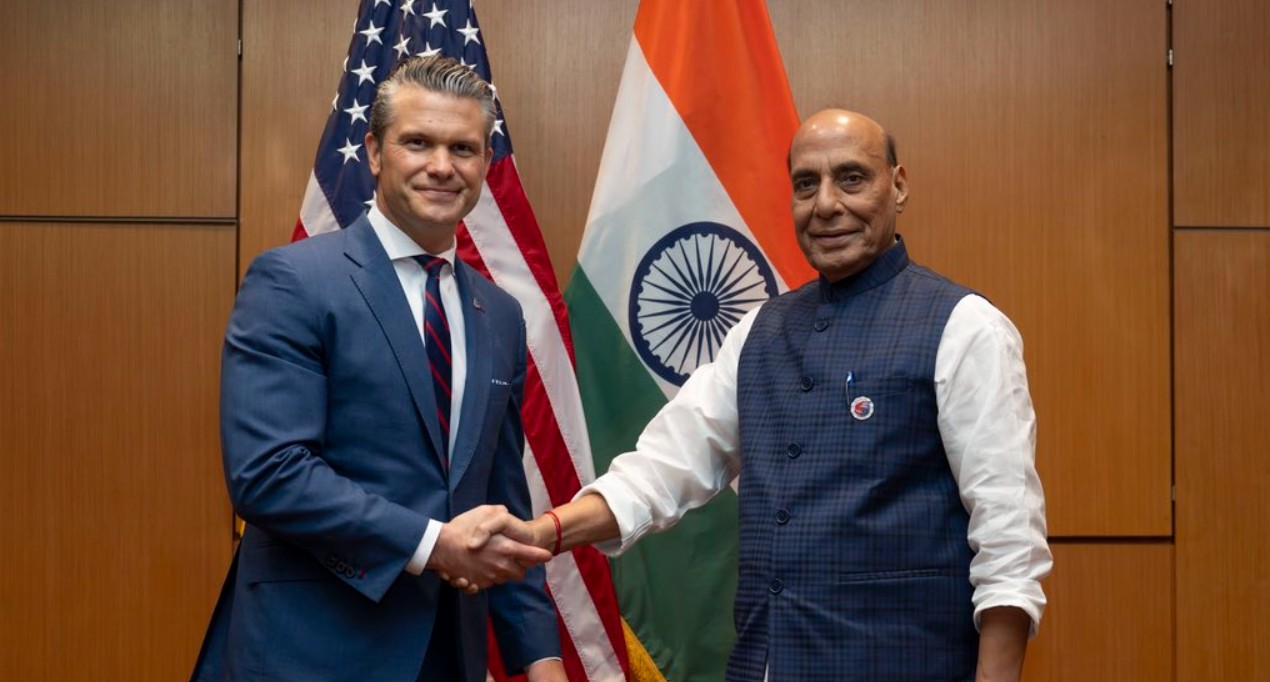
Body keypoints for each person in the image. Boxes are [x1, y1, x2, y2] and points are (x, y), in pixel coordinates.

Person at [465, 109, 1052, 681]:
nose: (826, 204)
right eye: (806, 184)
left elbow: (1009, 544)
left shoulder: (965, 327)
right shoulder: (757, 332)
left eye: (851, 178)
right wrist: (545, 532)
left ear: (897, 186)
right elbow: (661, 470)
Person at [191, 55, 565, 682]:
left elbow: (499, 500)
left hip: (450, 656)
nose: (441, 166)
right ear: (373, 152)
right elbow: (269, 473)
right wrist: (434, 544)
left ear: (485, 163)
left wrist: (540, 657)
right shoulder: (293, 281)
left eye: (463, 148)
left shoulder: (499, 315)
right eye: (417, 142)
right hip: (310, 654)